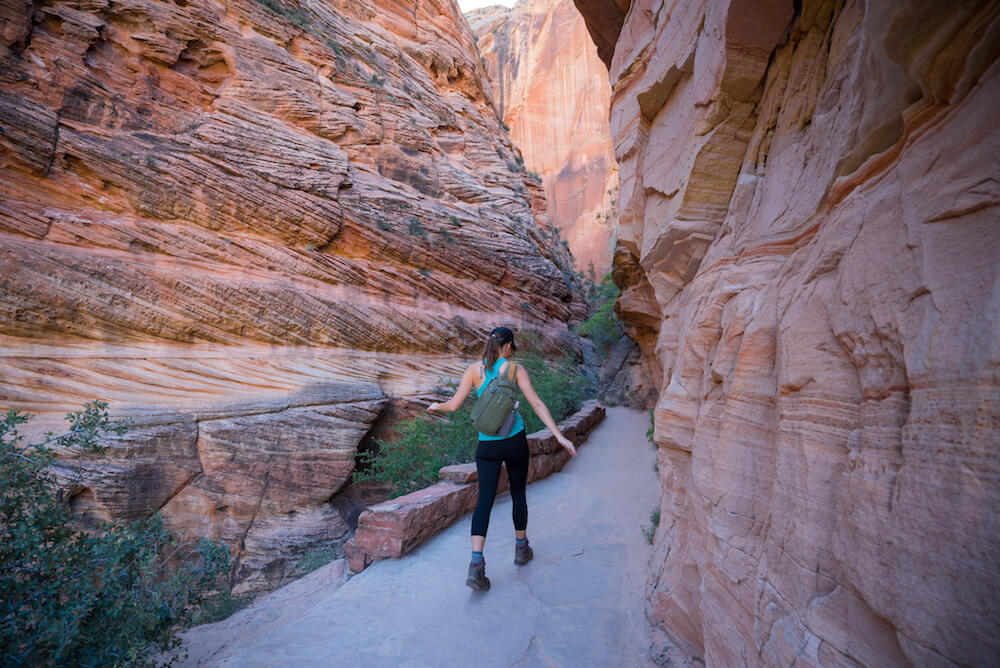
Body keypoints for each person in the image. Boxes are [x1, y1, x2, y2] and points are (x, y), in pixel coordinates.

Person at [427, 326, 577, 591]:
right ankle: (521, 549)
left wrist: (436, 406)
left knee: (484, 501)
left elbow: (453, 405)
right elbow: (538, 404)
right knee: (518, 494)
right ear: (508, 346)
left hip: (487, 446)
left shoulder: (475, 371)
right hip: (515, 441)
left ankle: (476, 565)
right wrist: (560, 436)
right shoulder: (515, 370)